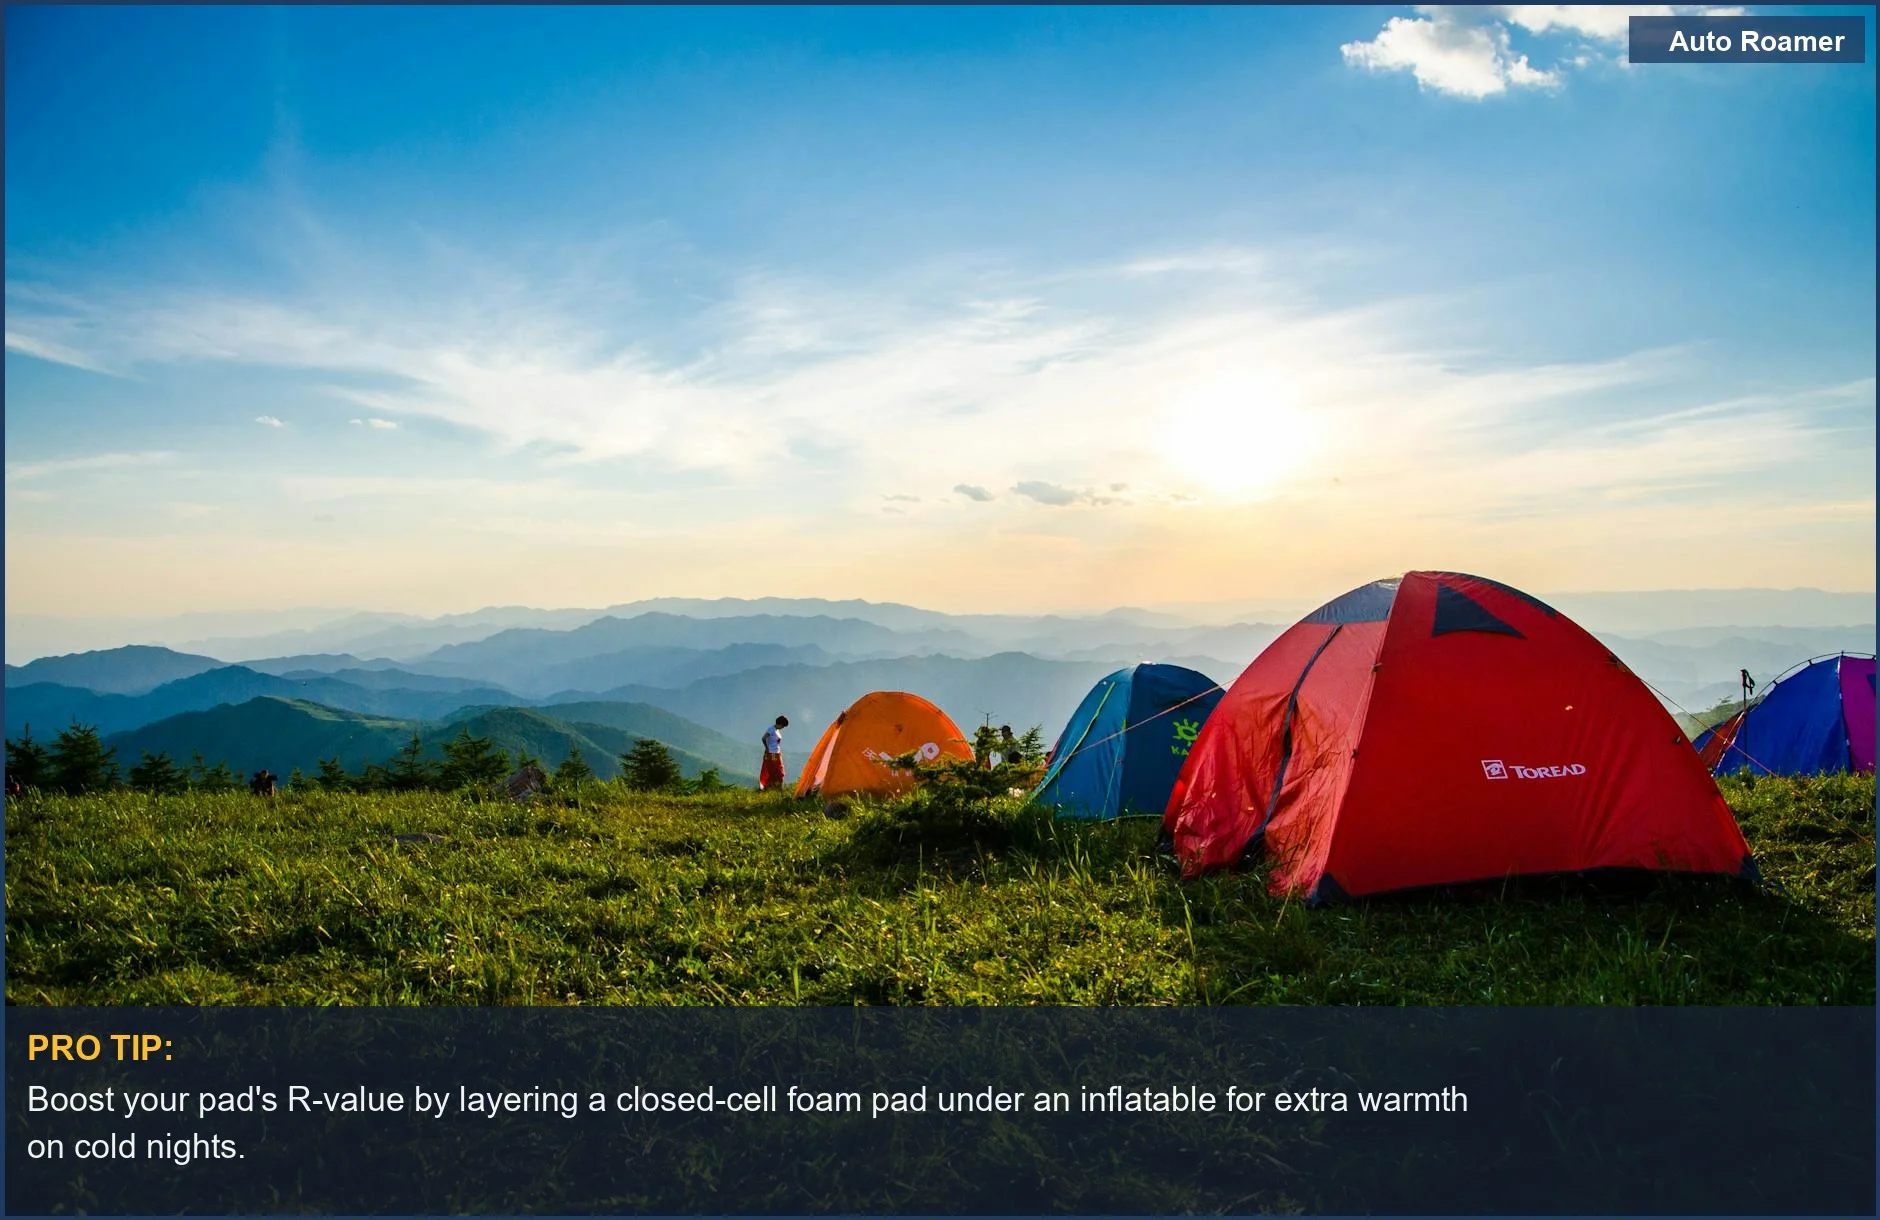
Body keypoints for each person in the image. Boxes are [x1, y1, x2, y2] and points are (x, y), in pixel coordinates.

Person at [759, 715, 789, 791]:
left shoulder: (777, 730)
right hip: (772, 753)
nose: (783, 728)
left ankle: (775, 788)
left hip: (776, 753)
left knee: (778, 771)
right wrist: (767, 748)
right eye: (783, 726)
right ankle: (776, 789)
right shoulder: (771, 729)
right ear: (780, 724)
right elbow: (763, 738)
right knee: (776, 771)